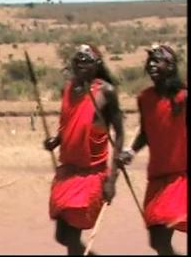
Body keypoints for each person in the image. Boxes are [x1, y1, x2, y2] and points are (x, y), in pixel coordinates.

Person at [43, 44, 124, 255]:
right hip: (67, 172)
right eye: (77, 61)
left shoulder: (106, 92)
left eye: (86, 61)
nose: (81, 65)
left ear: (97, 65)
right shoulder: (68, 89)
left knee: (71, 237)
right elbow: (68, 123)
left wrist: (112, 179)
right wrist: (56, 140)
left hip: (91, 174)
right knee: (61, 235)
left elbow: (120, 133)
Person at [117, 44, 187, 255]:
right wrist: (130, 151)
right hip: (158, 177)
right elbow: (147, 131)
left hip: (182, 175)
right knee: (157, 239)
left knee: (168, 225)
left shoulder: (184, 97)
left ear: (171, 65)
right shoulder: (144, 98)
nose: (152, 64)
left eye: (158, 60)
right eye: (150, 61)